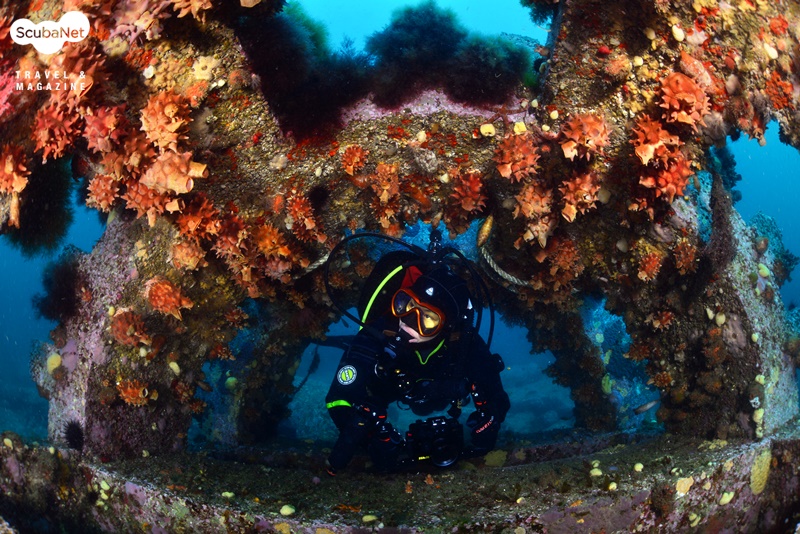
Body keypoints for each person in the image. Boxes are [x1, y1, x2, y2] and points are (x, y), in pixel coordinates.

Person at [324, 247, 510, 474]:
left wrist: (489, 422)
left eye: (428, 318)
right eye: (407, 304)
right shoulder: (376, 333)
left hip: (443, 390)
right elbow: (337, 399)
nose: (409, 321)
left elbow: (498, 397)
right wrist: (370, 438)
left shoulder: (464, 344)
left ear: (448, 326)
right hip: (388, 389)